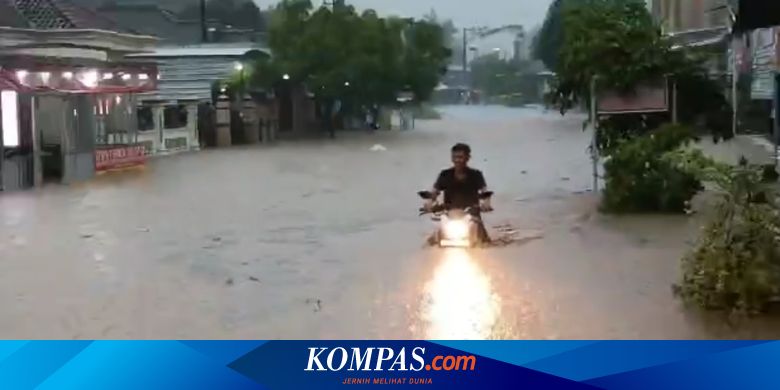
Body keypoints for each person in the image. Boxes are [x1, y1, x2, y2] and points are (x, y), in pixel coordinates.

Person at [424, 143, 492, 244]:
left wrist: (486, 203)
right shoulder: (445, 175)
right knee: (431, 242)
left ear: (467, 158)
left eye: (460, 157)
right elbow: (434, 192)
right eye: (454, 157)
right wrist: (429, 203)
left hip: (471, 215)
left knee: (485, 243)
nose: (457, 160)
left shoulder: (476, 175)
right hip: (449, 215)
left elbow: (485, 192)